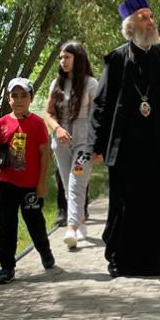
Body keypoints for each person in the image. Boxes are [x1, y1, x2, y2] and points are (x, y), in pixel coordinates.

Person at [90, 0, 160, 277]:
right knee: (124, 207)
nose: (150, 21)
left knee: (155, 206)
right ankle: (119, 260)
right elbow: (102, 105)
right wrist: (96, 145)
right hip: (124, 147)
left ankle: (152, 261)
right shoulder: (117, 59)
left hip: (156, 144)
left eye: (151, 16)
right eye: (143, 17)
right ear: (130, 26)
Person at [0, 77, 55, 284]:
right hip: (7, 182)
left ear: (31, 98)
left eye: (23, 96)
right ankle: (7, 267)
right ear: (8, 99)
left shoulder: (37, 123)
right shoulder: (2, 124)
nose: (18, 100)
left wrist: (41, 183)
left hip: (30, 186)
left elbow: (45, 154)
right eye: (14, 96)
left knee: (35, 222)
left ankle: (44, 250)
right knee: (7, 225)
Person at [44, 41, 99, 249]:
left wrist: (98, 147)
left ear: (78, 58)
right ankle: (80, 221)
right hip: (61, 141)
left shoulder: (91, 83)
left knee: (77, 180)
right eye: (61, 58)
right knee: (68, 184)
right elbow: (48, 114)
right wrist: (57, 129)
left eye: (67, 57)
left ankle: (71, 228)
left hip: (84, 142)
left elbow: (98, 117)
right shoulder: (55, 84)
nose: (63, 61)